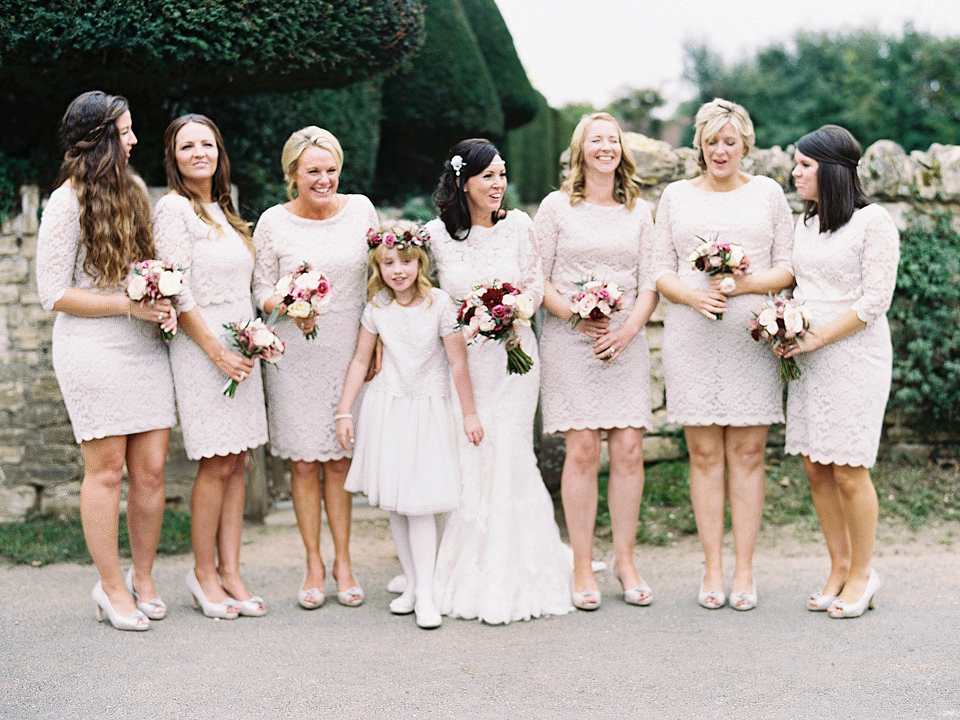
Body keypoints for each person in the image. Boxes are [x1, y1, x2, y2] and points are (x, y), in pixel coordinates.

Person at [36, 91, 178, 631]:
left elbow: (146, 268)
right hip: (92, 346)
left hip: (141, 345)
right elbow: (53, 292)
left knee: (152, 469)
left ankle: (144, 577)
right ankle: (111, 585)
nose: (136, 139)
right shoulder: (65, 202)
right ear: (101, 139)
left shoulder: (137, 189)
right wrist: (127, 304)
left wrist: (160, 296)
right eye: (127, 130)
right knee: (108, 472)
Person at [652, 98, 794, 611]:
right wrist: (692, 294)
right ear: (700, 145)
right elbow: (659, 267)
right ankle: (712, 567)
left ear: (745, 145)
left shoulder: (768, 194)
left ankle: (745, 569)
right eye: (712, 141)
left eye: (729, 142)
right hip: (693, 335)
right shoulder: (675, 196)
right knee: (705, 455)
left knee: (749, 455)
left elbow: (789, 267)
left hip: (749, 338)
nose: (720, 150)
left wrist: (743, 285)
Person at [428, 138, 573, 624]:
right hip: (464, 360)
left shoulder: (518, 226)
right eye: (487, 175)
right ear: (462, 180)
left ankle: (518, 565)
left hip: (514, 357)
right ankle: (463, 564)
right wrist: (470, 321)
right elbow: (431, 300)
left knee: (509, 451)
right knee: (469, 450)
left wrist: (513, 311)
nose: (498, 185)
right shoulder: (436, 236)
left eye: (502, 174)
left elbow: (534, 281)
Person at [535, 112, 659, 610]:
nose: (605, 147)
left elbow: (651, 281)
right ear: (581, 150)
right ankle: (582, 563)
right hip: (571, 342)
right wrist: (574, 316)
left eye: (612, 139)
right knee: (583, 449)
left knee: (628, 449)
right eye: (596, 139)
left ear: (621, 151)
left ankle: (625, 560)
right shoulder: (556, 207)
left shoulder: (640, 211)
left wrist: (628, 331)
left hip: (624, 342)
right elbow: (535, 278)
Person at [335, 223, 483, 628]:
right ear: (377, 268)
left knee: (418, 504)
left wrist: (469, 412)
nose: (397, 270)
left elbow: (457, 361)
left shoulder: (439, 304)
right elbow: (360, 361)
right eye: (387, 263)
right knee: (397, 503)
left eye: (405, 261)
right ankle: (415, 585)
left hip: (428, 409)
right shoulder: (377, 309)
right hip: (388, 407)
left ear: (420, 263)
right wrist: (344, 410)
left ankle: (429, 594)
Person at [253, 126, 378, 609]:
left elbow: (378, 277)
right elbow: (260, 286)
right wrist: (289, 300)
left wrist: (379, 340)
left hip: (350, 349)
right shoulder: (272, 222)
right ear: (293, 175)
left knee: (340, 460)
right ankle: (313, 564)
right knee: (304, 462)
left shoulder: (361, 210)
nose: (323, 180)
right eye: (312, 172)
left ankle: (345, 561)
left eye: (330, 170)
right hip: (293, 351)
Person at [780, 125, 898, 618]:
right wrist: (780, 320)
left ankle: (864, 574)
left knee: (849, 468)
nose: (795, 173)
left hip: (854, 356)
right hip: (808, 357)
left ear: (829, 170)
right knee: (814, 465)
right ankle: (839, 565)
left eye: (803, 165)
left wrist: (818, 335)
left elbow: (874, 301)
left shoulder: (874, 223)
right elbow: (796, 281)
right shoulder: (804, 224)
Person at [153, 114, 269, 619]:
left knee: (239, 458)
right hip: (203, 348)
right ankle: (203, 574)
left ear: (219, 152)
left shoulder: (223, 208)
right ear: (174, 158)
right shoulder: (173, 209)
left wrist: (252, 338)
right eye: (187, 146)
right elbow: (177, 290)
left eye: (207, 144)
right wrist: (217, 351)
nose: (199, 152)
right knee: (215, 460)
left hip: (241, 341)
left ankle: (232, 570)